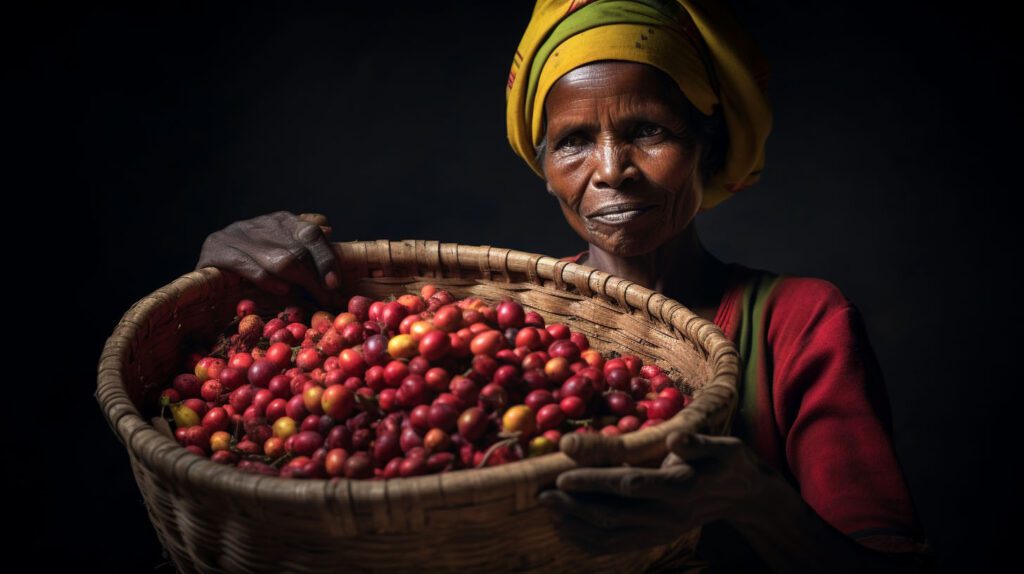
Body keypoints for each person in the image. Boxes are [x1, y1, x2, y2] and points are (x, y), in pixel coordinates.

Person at [195, 0, 933, 571]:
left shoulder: (798, 322)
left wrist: (754, 503)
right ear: (543, 164)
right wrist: (234, 276)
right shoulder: (500, 323)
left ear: (705, 149)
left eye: (649, 130)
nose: (611, 170)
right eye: (575, 141)